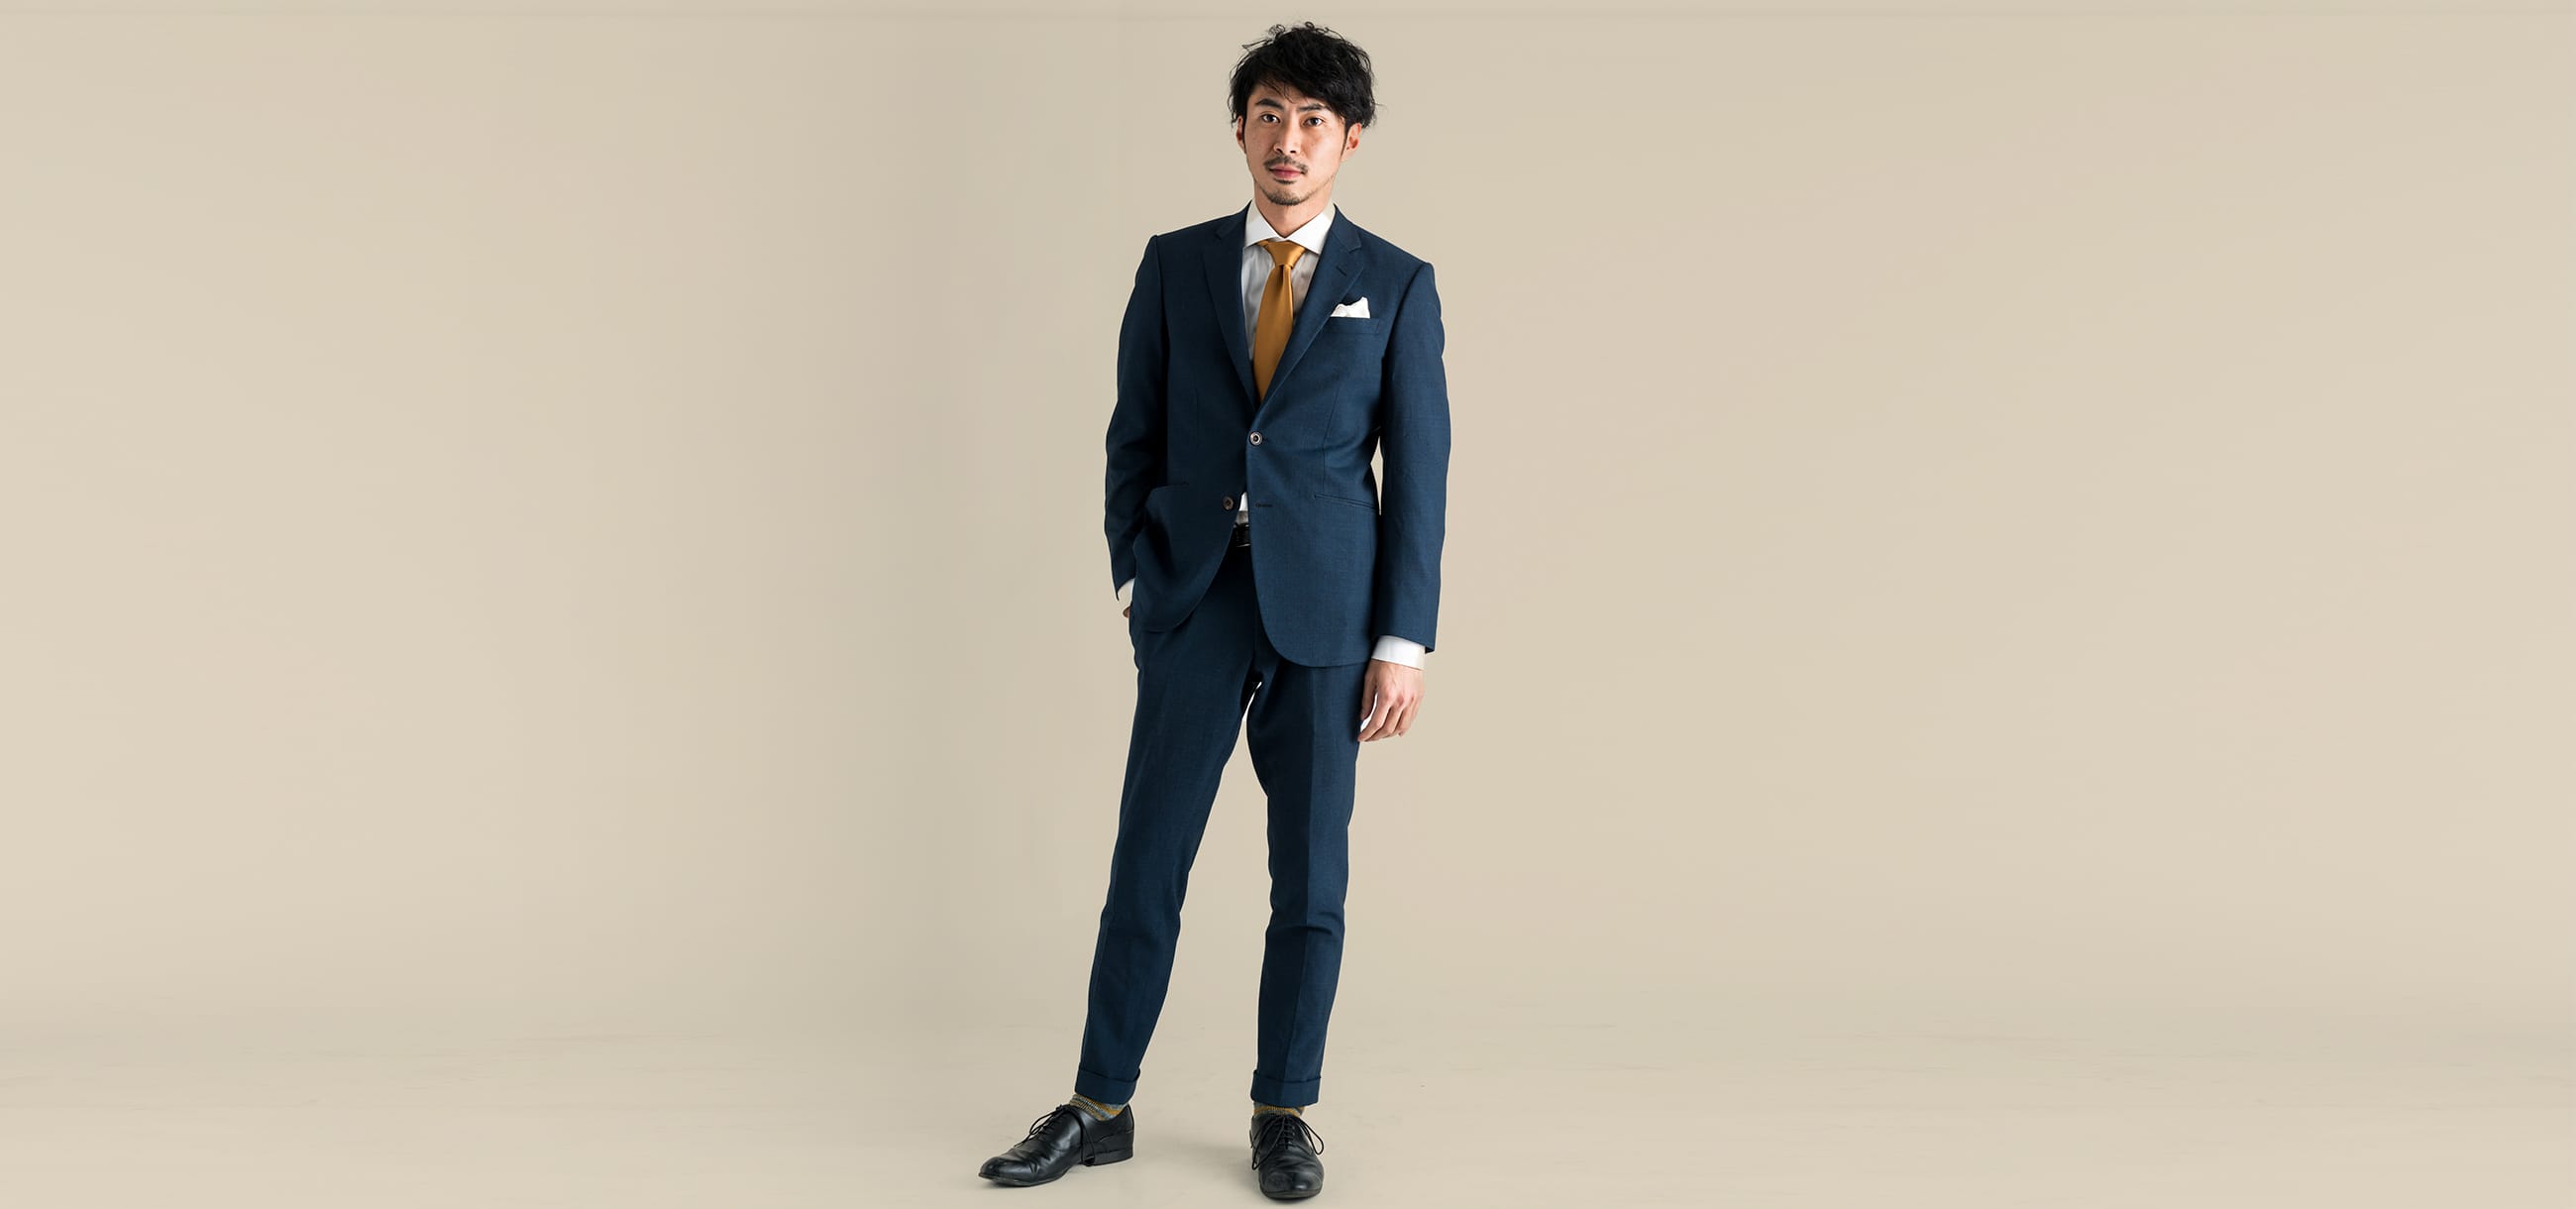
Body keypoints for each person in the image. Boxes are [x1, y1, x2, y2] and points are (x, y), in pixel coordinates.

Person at [976, 21, 1450, 1202]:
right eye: (1268, 115)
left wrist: (1402, 639)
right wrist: (1134, 577)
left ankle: (1284, 1109)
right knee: (1147, 857)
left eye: (1312, 121)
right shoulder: (1175, 263)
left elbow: (1418, 474)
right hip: (1192, 595)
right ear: (1240, 129)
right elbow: (1130, 433)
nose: (1288, 139)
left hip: (1328, 616)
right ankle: (1099, 1103)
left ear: (1349, 140)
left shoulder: (1394, 284)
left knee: (1310, 877)